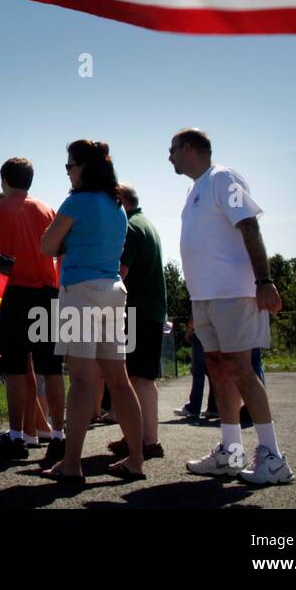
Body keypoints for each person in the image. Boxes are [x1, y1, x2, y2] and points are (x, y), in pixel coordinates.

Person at [170, 128, 294, 485]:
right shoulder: (195, 187)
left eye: (173, 150)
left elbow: (249, 226)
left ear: (190, 148)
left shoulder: (223, 178)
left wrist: (264, 281)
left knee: (240, 368)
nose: (170, 157)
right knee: (219, 368)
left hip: (233, 293)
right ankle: (231, 450)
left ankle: (273, 457)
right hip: (205, 297)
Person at [37, 140, 145, 484]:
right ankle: (136, 460)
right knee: (119, 379)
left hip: (79, 291)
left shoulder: (76, 202)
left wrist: (67, 239)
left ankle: (71, 464)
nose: (68, 171)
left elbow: (46, 246)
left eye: (69, 165)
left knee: (82, 379)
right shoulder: (117, 206)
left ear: (83, 167)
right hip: (113, 291)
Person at [0, 158, 65, 461]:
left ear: (4, 180)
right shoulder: (47, 209)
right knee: (51, 367)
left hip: (14, 295)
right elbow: (60, 252)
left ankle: (17, 436)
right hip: (48, 293)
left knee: (16, 367)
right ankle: (59, 435)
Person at [106, 184, 166, 460]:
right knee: (138, 377)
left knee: (139, 378)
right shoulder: (145, 223)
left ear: (120, 202)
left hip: (137, 312)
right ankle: (139, 436)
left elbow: (121, 272)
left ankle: (148, 441)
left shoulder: (129, 227)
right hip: (149, 312)